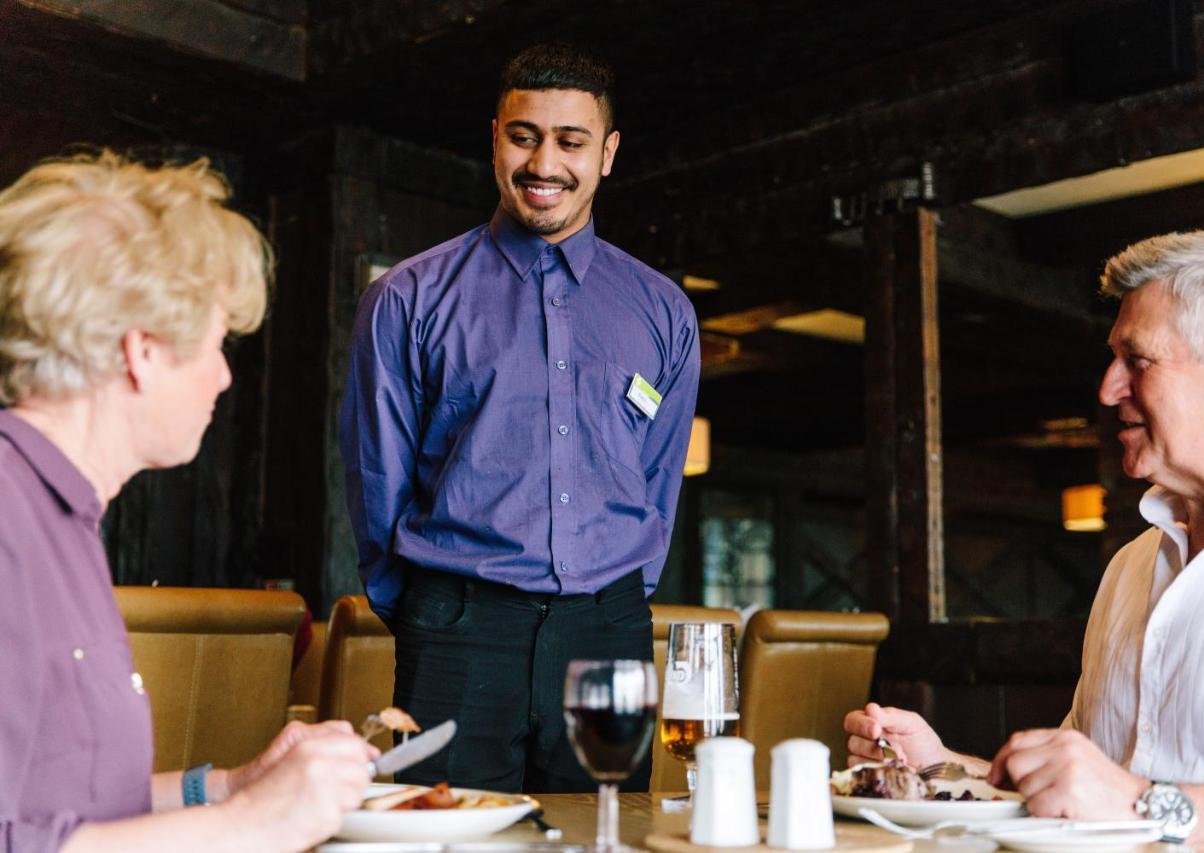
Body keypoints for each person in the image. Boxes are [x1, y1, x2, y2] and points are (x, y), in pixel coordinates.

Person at [340, 43, 699, 794]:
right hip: (458, 629)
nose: (545, 163)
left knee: (608, 840)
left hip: (610, 633)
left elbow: (660, 479)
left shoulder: (665, 311)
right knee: (440, 843)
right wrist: (430, 616)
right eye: (523, 135)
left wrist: (618, 595)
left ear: (608, 154)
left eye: (571, 142)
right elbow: (377, 476)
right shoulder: (407, 299)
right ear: (494, 137)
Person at [844, 230, 1204, 849]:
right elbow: (1082, 794)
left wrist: (1142, 805)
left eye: (1139, 360)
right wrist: (938, 769)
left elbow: (1122, 801)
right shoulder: (1132, 567)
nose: (1107, 390)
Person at [0, 151, 378, 852]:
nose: (226, 375)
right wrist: (251, 825)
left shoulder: (63, 514)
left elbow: (62, 804)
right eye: (216, 341)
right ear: (143, 351)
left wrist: (231, 787)